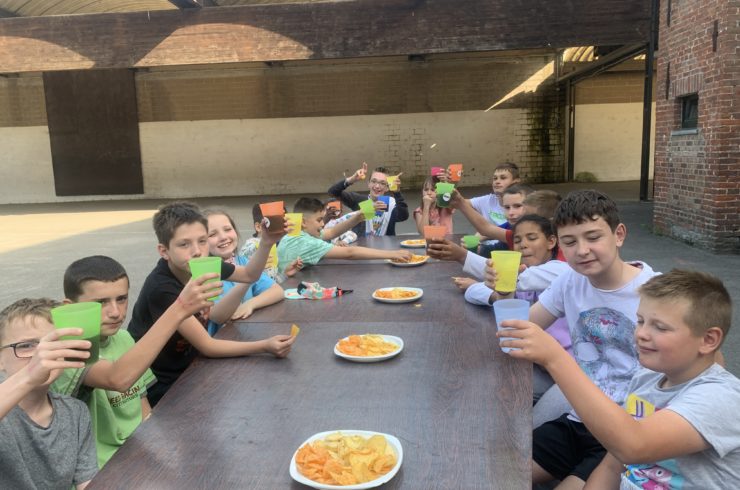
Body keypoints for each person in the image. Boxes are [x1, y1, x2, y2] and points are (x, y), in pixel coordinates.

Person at [501, 270, 740, 489]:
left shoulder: (721, 398)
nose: (641, 333)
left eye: (660, 327)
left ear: (708, 340)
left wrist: (555, 358)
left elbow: (634, 445)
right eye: (640, 321)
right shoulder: (646, 379)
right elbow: (612, 466)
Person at [511, 189, 658, 488]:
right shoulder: (570, 280)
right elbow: (525, 326)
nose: (582, 250)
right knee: (502, 473)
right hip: (579, 418)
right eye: (570, 242)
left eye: (593, 237)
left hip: (628, 428)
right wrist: (501, 289)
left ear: (618, 235)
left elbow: (705, 362)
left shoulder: (657, 292)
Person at [51, 255, 219, 467]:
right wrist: (179, 308)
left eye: (121, 299)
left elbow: (143, 409)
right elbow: (117, 378)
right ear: (69, 306)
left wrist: (162, 451)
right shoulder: (66, 350)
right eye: (100, 303)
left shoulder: (124, 338)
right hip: (98, 469)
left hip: (139, 453)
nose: (115, 312)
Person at [128, 201, 296, 407]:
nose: (197, 251)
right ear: (164, 251)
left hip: (192, 366)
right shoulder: (162, 289)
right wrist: (265, 346)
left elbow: (249, 274)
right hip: (160, 384)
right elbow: (208, 345)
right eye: (184, 244)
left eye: (202, 241)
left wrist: (267, 242)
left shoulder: (204, 265)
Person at [0, 298, 97, 489]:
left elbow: (87, 482)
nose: (41, 355)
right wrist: (29, 375)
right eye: (26, 345)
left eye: (53, 345)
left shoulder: (75, 412)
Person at [205, 209, 285, 336]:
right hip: (222, 340)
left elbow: (277, 291)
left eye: (227, 229)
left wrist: (250, 304)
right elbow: (217, 316)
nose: (223, 237)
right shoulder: (206, 270)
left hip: (246, 333)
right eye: (212, 234)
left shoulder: (242, 261)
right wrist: (248, 278)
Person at [277, 197, 411, 271]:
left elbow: (332, 232)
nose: (323, 224)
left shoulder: (297, 234)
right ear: (303, 222)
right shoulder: (307, 242)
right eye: (319, 220)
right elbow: (350, 253)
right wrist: (393, 254)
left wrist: (357, 217)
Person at [327, 162, 409, 236]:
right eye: (374, 181)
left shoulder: (389, 203)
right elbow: (332, 192)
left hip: (385, 247)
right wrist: (351, 179)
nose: (377, 186)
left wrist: (397, 192)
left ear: (387, 188)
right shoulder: (360, 200)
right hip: (362, 246)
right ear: (368, 184)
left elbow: (403, 216)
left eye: (382, 183)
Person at [239, 204, 302, 284]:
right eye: (274, 225)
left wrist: (285, 274)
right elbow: (245, 255)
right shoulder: (252, 244)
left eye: (283, 224)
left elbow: (272, 281)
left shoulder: (272, 246)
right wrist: (256, 266)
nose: (282, 229)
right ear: (258, 227)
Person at [467, 161, 521, 251]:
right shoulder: (487, 200)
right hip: (488, 250)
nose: (497, 181)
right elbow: (457, 202)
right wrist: (451, 182)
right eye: (495, 178)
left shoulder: (527, 203)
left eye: (503, 178)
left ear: (516, 182)